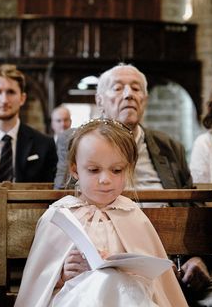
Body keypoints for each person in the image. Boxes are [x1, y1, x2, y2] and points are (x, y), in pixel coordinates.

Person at [55, 63, 212, 307]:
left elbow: (192, 204)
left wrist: (199, 258)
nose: (129, 94)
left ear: (145, 99)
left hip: (175, 261)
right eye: (118, 88)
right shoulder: (76, 140)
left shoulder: (168, 145)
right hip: (105, 258)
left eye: (136, 88)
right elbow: (65, 197)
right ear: (100, 99)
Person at [15, 118, 187, 307]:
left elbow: (158, 286)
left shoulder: (132, 215)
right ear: (75, 170)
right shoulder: (59, 217)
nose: (105, 179)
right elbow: (37, 287)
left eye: (116, 170)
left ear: (128, 169)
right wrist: (62, 275)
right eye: (94, 170)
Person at [0, 64, 57, 182]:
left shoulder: (44, 144)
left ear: (22, 98)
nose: (4, 100)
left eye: (11, 92)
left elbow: (50, 192)